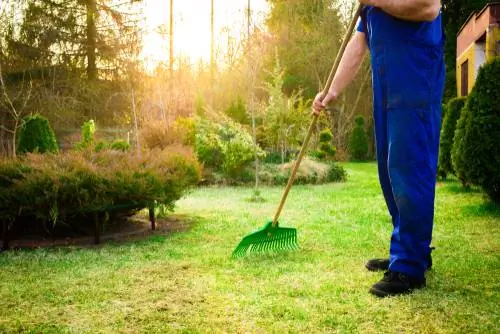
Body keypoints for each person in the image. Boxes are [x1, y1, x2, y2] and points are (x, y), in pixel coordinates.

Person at [313, 0, 444, 297]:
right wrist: (330, 91)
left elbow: (428, 7)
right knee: (391, 173)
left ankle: (409, 265)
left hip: (415, 79)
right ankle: (409, 250)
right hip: (386, 88)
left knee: (409, 168)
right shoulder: (370, 7)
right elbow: (358, 44)